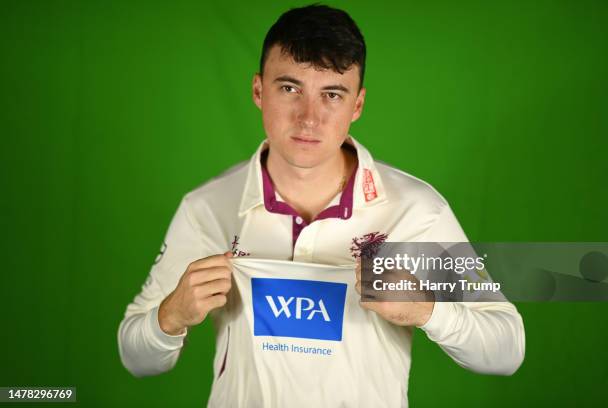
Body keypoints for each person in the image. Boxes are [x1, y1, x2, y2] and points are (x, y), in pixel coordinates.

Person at [118, 4, 525, 407]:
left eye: (332, 94)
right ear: (259, 90)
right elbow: (137, 359)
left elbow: (506, 350)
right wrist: (170, 318)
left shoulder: (415, 212)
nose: (308, 118)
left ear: (358, 105)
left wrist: (428, 311)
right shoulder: (207, 208)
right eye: (290, 88)